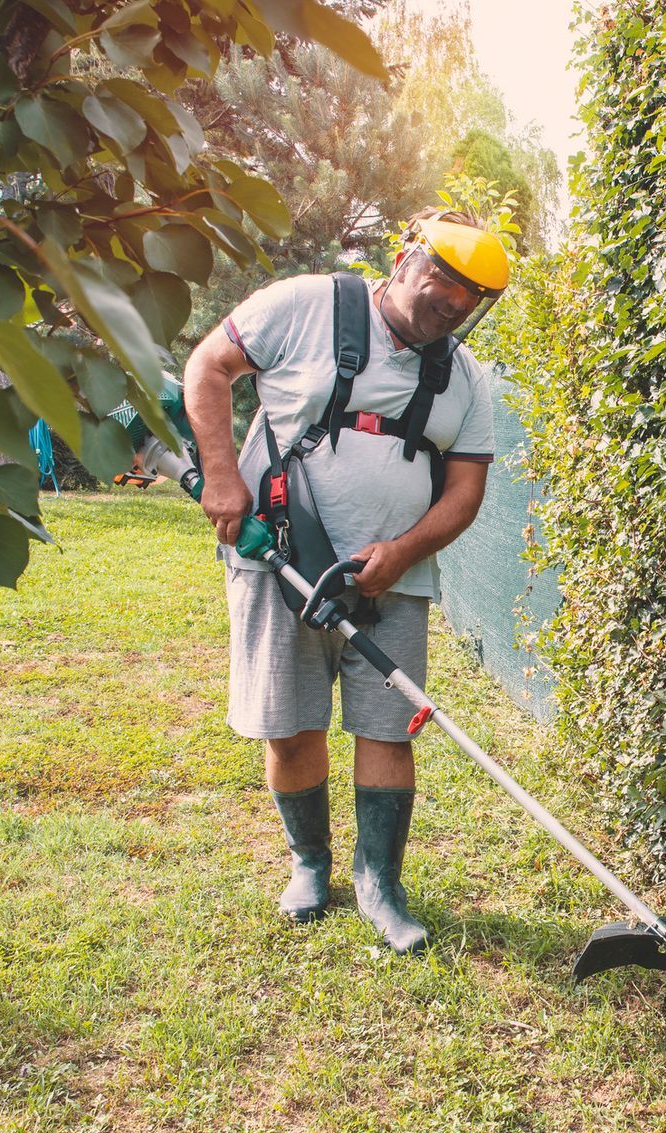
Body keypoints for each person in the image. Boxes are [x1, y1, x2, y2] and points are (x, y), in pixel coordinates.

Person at [180, 209, 509, 954]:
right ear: (403, 259)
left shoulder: (465, 377)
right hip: (282, 557)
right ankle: (310, 863)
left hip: (392, 579)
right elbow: (207, 366)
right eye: (442, 287)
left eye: (467, 304)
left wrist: (400, 551)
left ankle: (379, 883)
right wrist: (224, 475)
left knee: (386, 726)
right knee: (290, 723)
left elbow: (464, 491)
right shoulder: (306, 305)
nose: (452, 308)